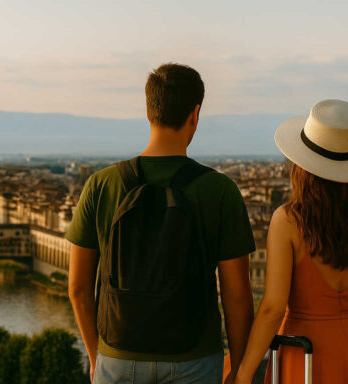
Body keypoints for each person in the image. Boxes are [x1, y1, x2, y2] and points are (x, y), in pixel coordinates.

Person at [67, 63, 255, 384]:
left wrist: (97, 355)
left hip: (117, 357)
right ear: (194, 115)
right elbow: (236, 295)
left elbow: (79, 288)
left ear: (148, 113)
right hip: (194, 359)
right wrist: (240, 369)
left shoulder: (101, 185)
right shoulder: (220, 190)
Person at [233, 99, 348, 384]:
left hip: (302, 355)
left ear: (302, 165)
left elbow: (273, 308)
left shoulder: (286, 221)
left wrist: (243, 374)